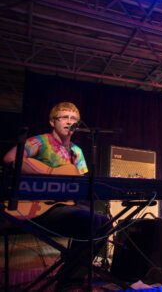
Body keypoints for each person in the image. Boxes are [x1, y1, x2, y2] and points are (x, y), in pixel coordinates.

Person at [3, 101, 111, 290]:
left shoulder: (76, 152)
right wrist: (49, 172)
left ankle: (70, 277)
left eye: (74, 119)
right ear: (53, 121)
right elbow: (10, 158)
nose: (69, 122)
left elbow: (81, 184)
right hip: (36, 208)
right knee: (90, 220)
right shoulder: (40, 142)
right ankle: (70, 281)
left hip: (64, 206)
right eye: (64, 117)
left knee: (104, 221)